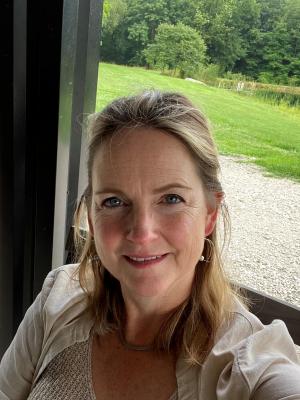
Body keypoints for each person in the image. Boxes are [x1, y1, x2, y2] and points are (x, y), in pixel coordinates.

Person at [0, 90, 299, 400]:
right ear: (91, 216)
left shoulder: (248, 362)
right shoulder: (57, 298)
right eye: (114, 201)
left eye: (171, 199)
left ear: (209, 215)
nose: (142, 233)